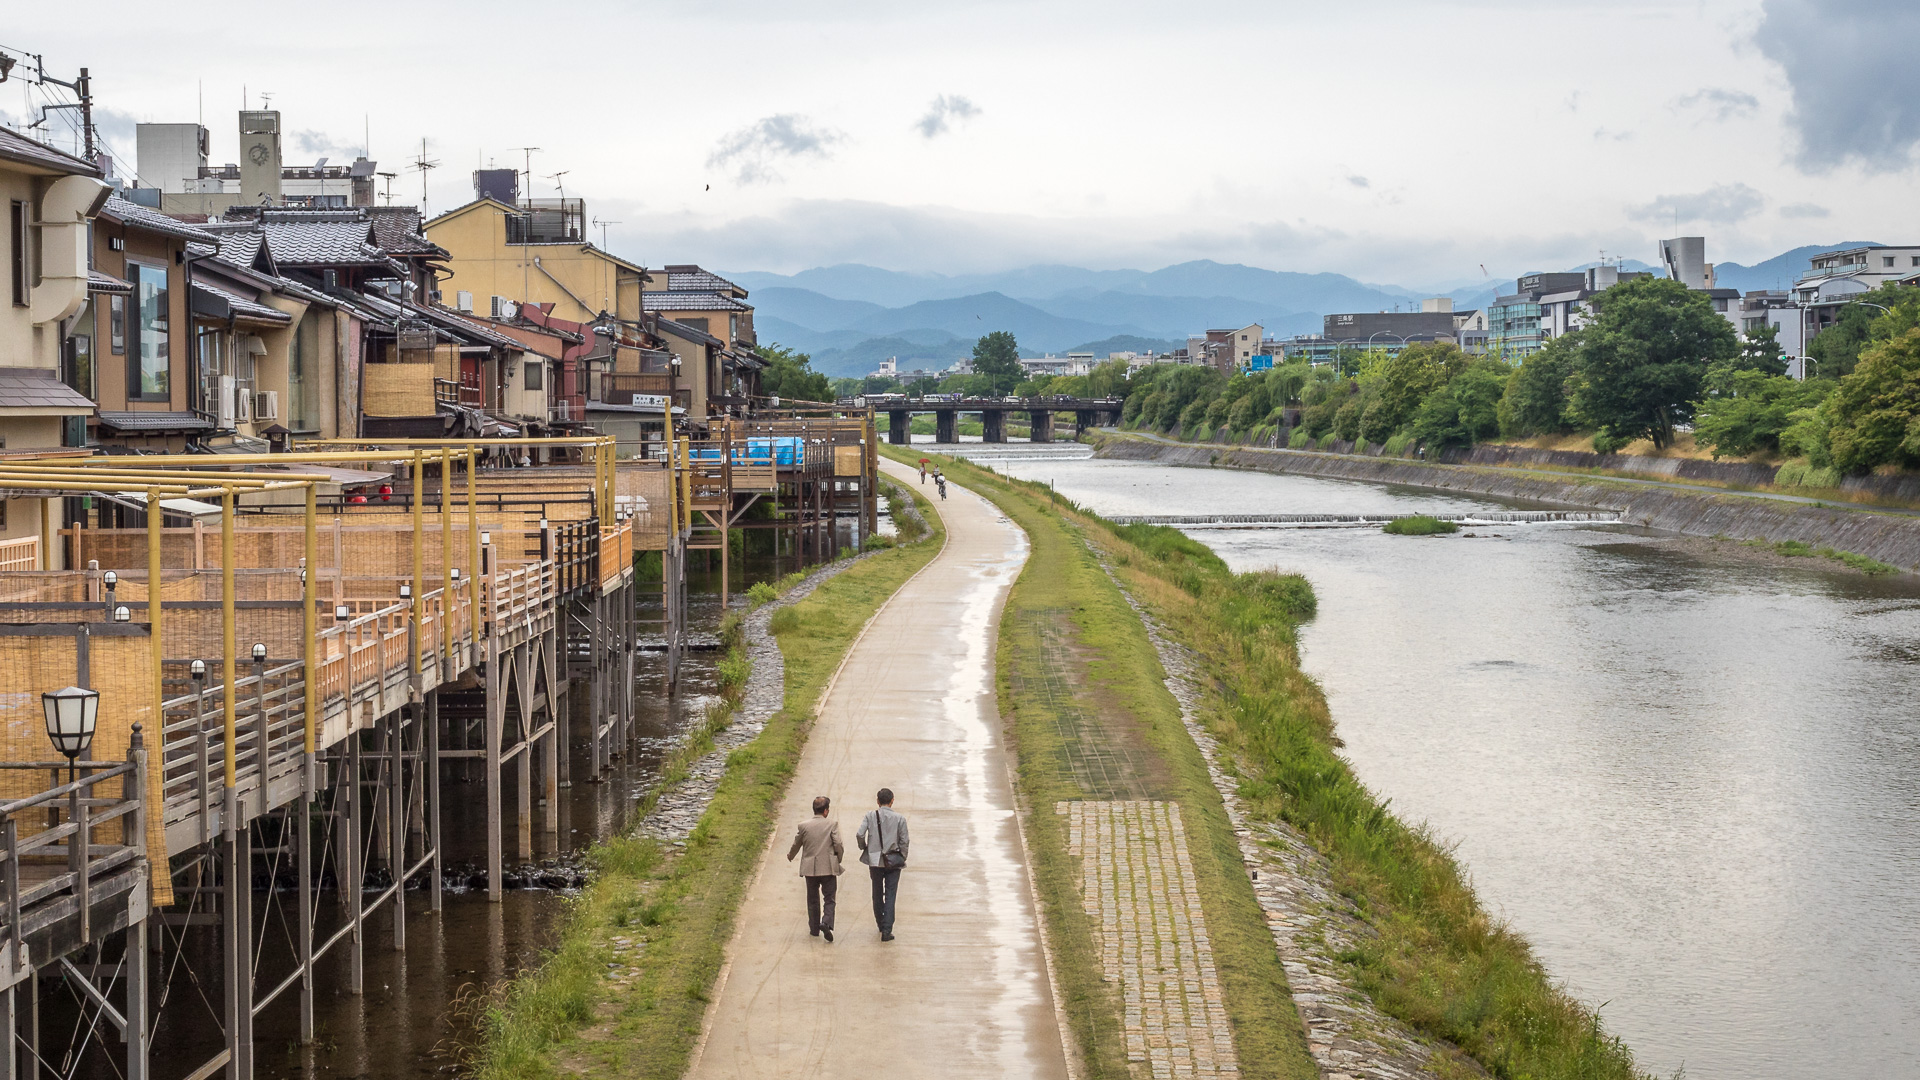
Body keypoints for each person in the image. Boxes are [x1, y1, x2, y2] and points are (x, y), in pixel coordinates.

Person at [786, 795, 844, 941]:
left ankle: (814, 929)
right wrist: (838, 858)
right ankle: (826, 922)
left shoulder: (804, 826)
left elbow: (796, 843)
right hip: (828, 867)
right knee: (829, 898)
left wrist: (791, 855)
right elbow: (838, 844)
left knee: (812, 899)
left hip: (810, 868)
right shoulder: (832, 824)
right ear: (825, 811)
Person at [856, 788, 910, 941]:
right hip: (893, 860)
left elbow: (860, 834)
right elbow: (904, 841)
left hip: (875, 860)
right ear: (892, 800)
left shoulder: (870, 816)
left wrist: (865, 847)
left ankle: (880, 923)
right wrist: (902, 856)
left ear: (877, 801)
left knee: (877, 893)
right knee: (891, 894)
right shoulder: (900, 819)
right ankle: (887, 929)